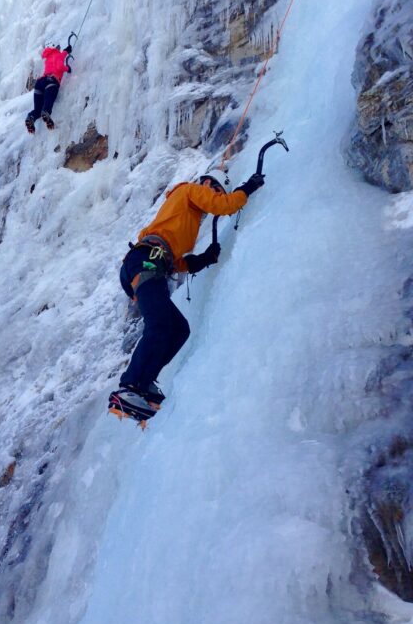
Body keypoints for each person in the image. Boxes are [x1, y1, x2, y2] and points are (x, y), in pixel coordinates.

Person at [108, 168, 265, 422]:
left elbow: (176, 263)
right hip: (145, 262)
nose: (212, 195)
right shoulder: (189, 191)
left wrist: (203, 259)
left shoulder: (184, 218)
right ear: (206, 182)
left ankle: (144, 383)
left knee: (179, 329)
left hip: (152, 264)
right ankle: (129, 387)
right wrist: (247, 188)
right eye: (214, 189)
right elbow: (223, 206)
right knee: (158, 325)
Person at [25, 42, 72, 133]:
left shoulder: (48, 56)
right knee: (48, 103)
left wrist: (66, 51)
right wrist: (68, 69)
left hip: (40, 83)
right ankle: (46, 112)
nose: (59, 49)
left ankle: (31, 117)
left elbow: (63, 53)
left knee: (37, 110)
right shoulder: (58, 54)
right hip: (51, 81)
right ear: (56, 48)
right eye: (58, 47)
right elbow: (60, 65)